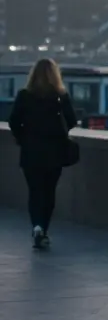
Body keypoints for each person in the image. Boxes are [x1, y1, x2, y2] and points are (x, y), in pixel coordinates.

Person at [6, 58, 78, 250]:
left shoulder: (24, 95)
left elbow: (13, 121)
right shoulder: (60, 96)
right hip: (54, 152)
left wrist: (24, 138)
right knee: (49, 192)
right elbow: (71, 120)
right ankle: (43, 229)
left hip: (30, 153)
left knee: (35, 191)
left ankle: (36, 226)